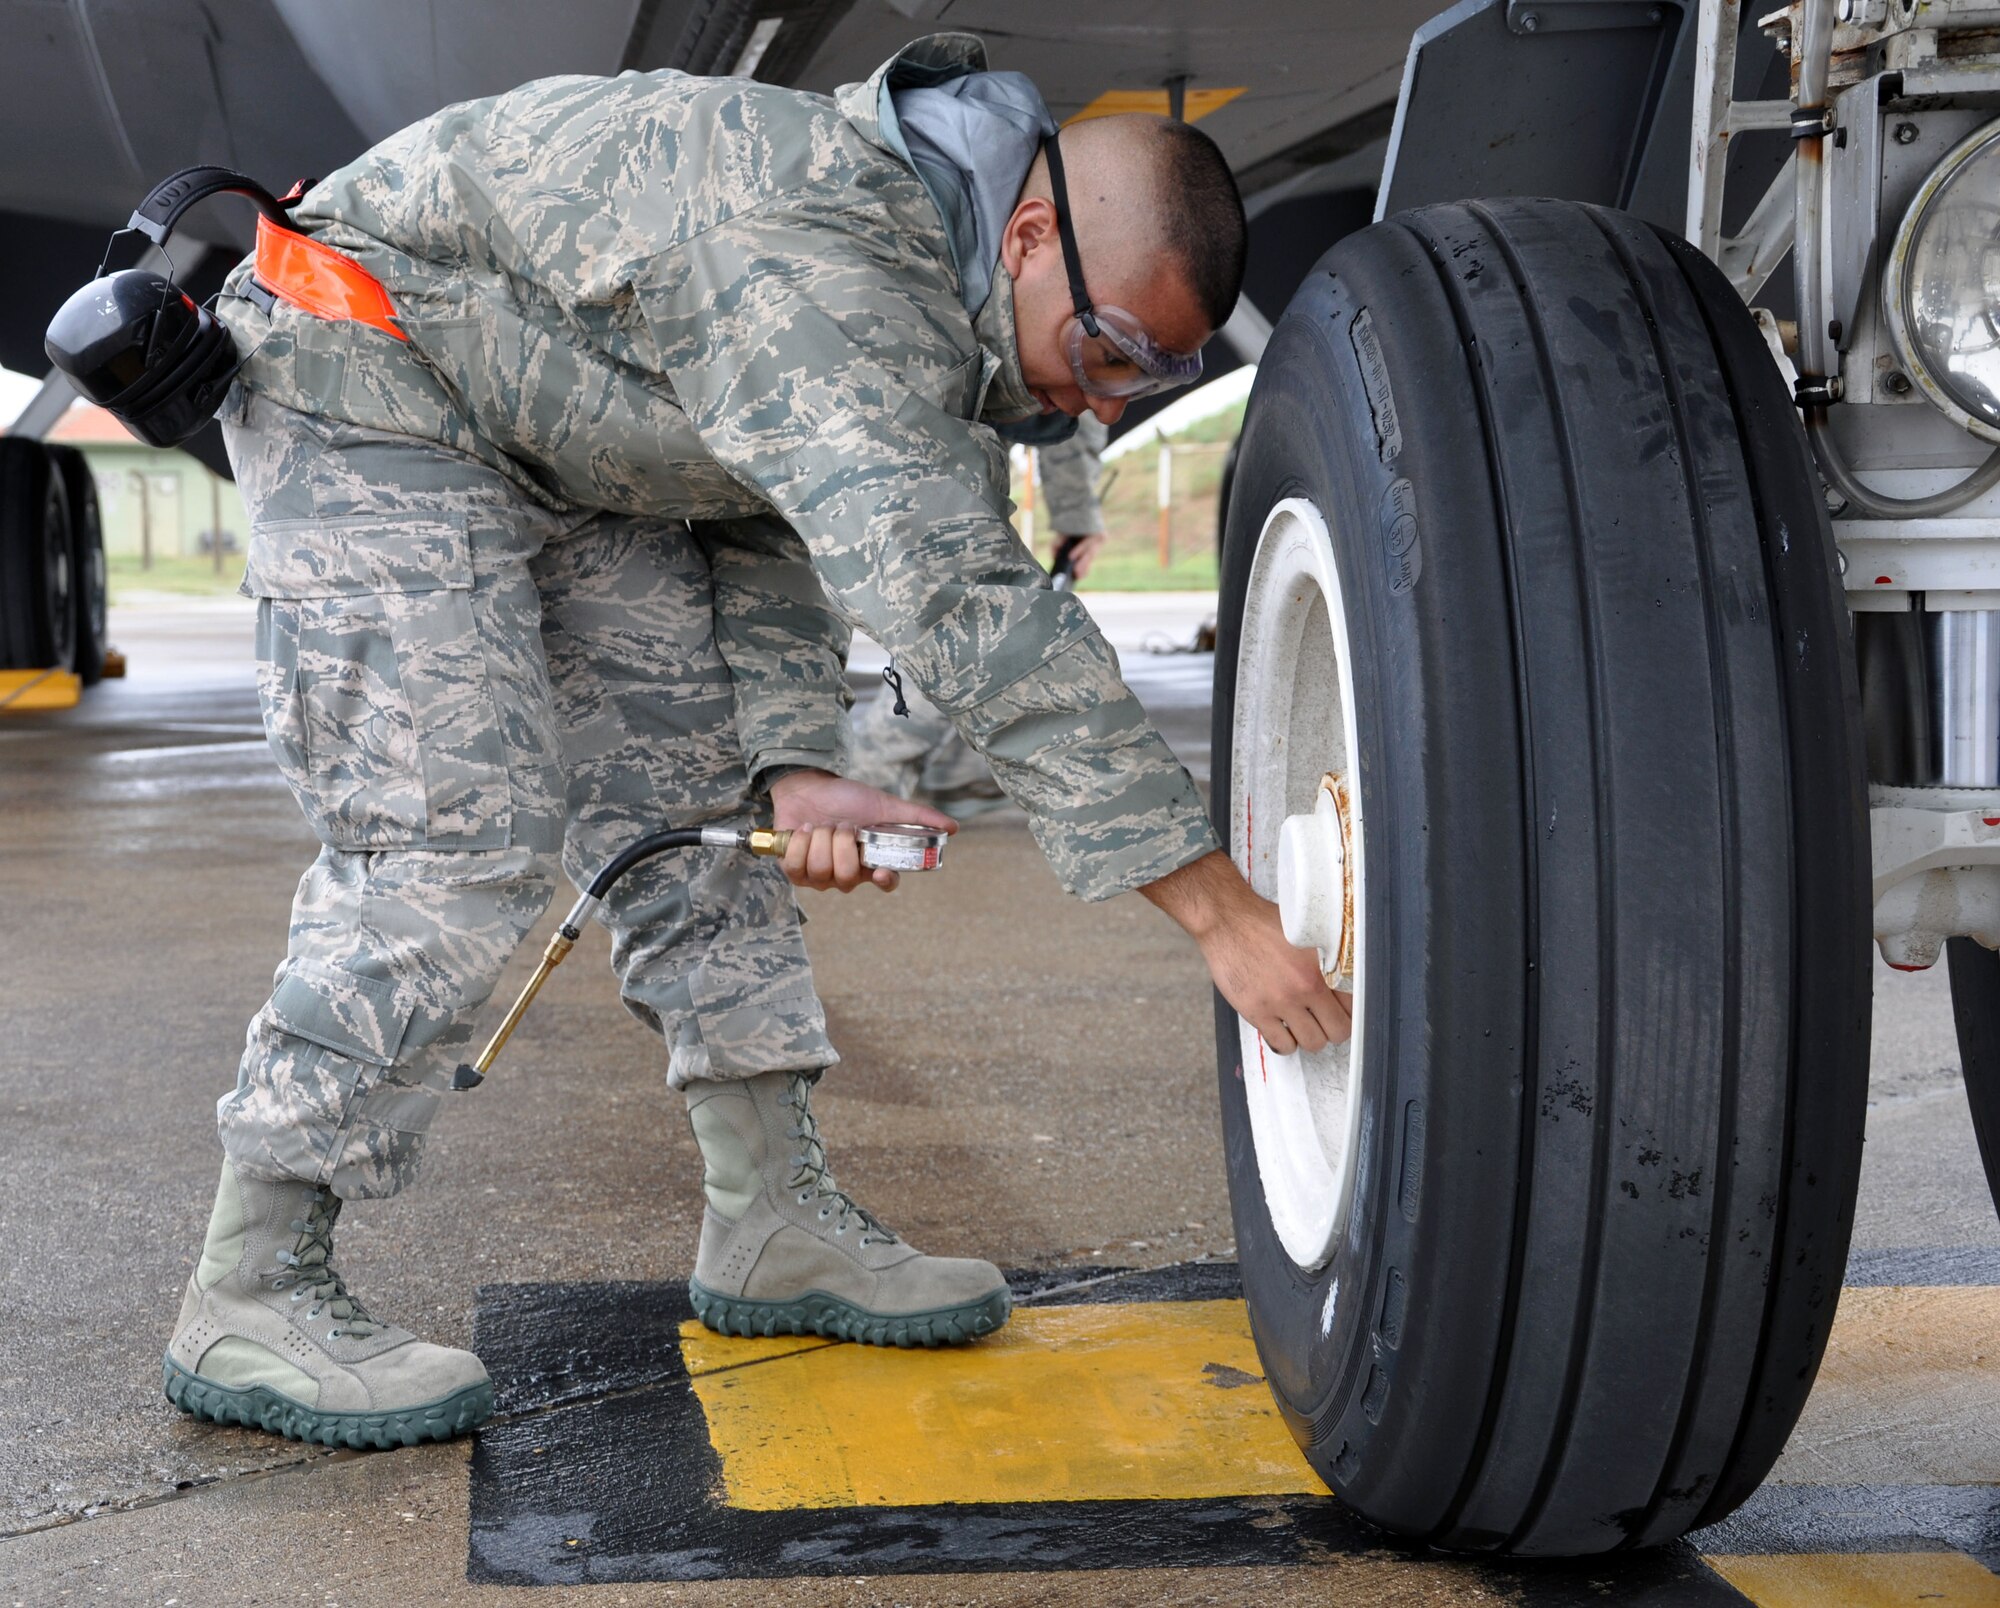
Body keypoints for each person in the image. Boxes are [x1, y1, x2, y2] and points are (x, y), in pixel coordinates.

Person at [163, 33, 1351, 1450]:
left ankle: (770, 1222)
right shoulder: (833, 255)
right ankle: (252, 1283)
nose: (1100, 402)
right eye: (1110, 353)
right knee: (453, 838)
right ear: (1032, 236)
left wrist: (784, 759)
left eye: (1143, 383)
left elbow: (758, 502)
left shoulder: (915, 275)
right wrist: (1215, 909)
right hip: (368, 375)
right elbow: (957, 597)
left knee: (705, 815)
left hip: (553, 430)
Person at [845, 415, 1109, 812]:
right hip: (943, 459)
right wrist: (1078, 519)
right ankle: (870, 786)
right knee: (958, 631)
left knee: (958, 624)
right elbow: (1076, 406)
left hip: (883, 451)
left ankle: (956, 773)